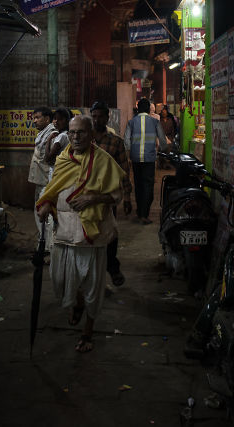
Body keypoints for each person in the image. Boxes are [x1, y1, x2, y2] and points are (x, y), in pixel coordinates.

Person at [36, 115, 125, 353]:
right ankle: (76, 304)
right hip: (64, 231)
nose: (75, 137)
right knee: (61, 278)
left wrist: (93, 197)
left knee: (93, 285)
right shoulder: (64, 158)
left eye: (81, 133)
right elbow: (55, 188)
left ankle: (88, 332)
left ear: (91, 134)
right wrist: (47, 203)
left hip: (92, 235)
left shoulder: (103, 161)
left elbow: (118, 194)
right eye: (72, 133)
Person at [88, 100, 132, 287]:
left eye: (100, 116)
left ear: (108, 117)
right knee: (87, 235)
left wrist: (128, 197)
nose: (97, 120)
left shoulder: (115, 142)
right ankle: (92, 275)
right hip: (86, 197)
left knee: (110, 234)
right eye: (94, 116)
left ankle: (112, 267)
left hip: (107, 198)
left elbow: (123, 171)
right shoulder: (83, 140)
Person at [124, 97, 169, 224]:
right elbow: (163, 142)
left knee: (138, 185)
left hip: (136, 159)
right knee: (148, 185)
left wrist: (128, 156)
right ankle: (145, 214)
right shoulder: (155, 122)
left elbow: (126, 142)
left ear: (138, 109)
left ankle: (140, 212)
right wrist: (164, 151)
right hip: (150, 159)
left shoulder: (131, 122)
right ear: (149, 109)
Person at [28, 106, 57, 250]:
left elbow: (52, 161)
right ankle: (44, 243)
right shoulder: (43, 133)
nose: (34, 121)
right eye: (33, 118)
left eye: (37, 118)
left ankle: (49, 247)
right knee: (39, 213)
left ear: (47, 119)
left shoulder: (52, 134)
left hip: (47, 181)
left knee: (47, 216)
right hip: (40, 180)